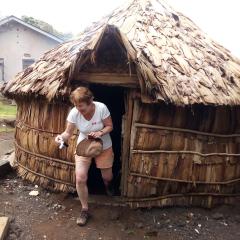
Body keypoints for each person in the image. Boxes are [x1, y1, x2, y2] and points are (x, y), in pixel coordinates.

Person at [55, 86, 114, 226]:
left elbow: (110, 126)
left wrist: (100, 132)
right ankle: (84, 209)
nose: (78, 109)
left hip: (103, 146)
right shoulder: (74, 112)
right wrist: (61, 138)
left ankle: (109, 186)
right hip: (84, 147)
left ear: (91, 101)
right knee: (80, 178)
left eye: (81, 106)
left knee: (107, 177)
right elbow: (68, 133)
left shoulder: (101, 108)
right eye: (76, 105)